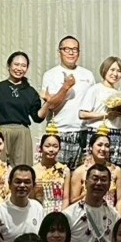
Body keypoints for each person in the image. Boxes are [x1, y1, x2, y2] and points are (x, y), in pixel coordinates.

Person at [40, 36, 97, 169]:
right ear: (59, 51)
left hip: (84, 132)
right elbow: (51, 105)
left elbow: (94, 103)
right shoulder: (50, 75)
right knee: (58, 174)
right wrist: (65, 87)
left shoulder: (88, 75)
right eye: (67, 49)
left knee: (82, 175)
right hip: (59, 132)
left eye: (75, 49)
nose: (71, 53)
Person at [0, 52, 45, 167]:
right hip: (1, 131)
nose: (19, 68)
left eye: (23, 66)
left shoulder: (30, 91)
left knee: (22, 170)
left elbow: (37, 118)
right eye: (16, 64)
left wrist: (48, 103)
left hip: (22, 133)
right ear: (9, 66)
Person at [63, 164, 119, 242]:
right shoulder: (69, 215)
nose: (99, 183)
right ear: (86, 183)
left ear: (109, 185)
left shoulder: (113, 215)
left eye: (103, 180)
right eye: (95, 179)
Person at [80, 56, 121, 168]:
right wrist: (106, 115)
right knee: (93, 168)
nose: (115, 74)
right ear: (104, 70)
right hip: (97, 133)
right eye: (112, 70)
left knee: (114, 169)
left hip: (116, 134)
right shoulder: (95, 89)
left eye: (119, 71)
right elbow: (82, 114)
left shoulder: (120, 94)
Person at [69, 127, 121, 215]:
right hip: (86, 215)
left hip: (109, 216)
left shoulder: (116, 171)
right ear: (91, 147)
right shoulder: (80, 171)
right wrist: (86, 194)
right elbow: (73, 201)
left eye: (107, 146)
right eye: (99, 145)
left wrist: (119, 218)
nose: (103, 149)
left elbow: (119, 199)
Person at [0, 165, 47, 242]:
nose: (22, 185)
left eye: (27, 182)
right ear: (9, 184)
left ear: (33, 185)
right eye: (18, 182)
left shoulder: (38, 208)